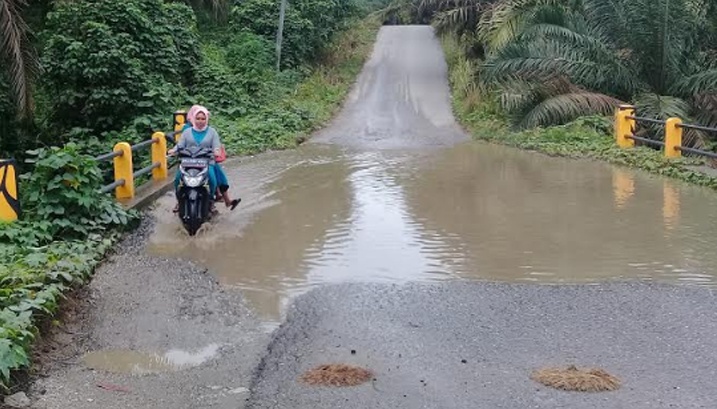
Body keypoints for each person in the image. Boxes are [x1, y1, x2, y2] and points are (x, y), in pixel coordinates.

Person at [169, 105, 240, 211]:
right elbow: (180, 144)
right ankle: (179, 201)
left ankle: (210, 200)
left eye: (203, 119)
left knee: (212, 179)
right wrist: (173, 151)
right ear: (193, 118)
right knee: (178, 179)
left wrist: (216, 151)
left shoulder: (212, 132)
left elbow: (216, 146)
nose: (200, 121)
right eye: (198, 118)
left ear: (206, 119)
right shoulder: (187, 131)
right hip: (188, 162)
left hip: (206, 162)